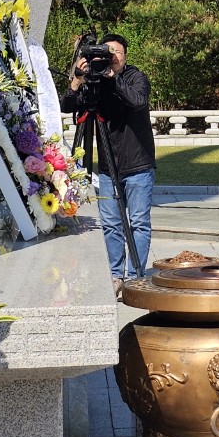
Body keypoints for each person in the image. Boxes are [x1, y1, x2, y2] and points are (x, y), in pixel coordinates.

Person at [60, 33, 155, 294]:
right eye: (107, 52)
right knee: (111, 223)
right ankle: (115, 275)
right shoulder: (95, 82)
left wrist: (113, 78)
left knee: (138, 222)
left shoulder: (136, 77)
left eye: (116, 53)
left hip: (138, 164)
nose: (111, 57)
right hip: (107, 166)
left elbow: (137, 101)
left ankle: (136, 276)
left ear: (125, 56)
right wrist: (78, 79)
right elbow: (67, 106)